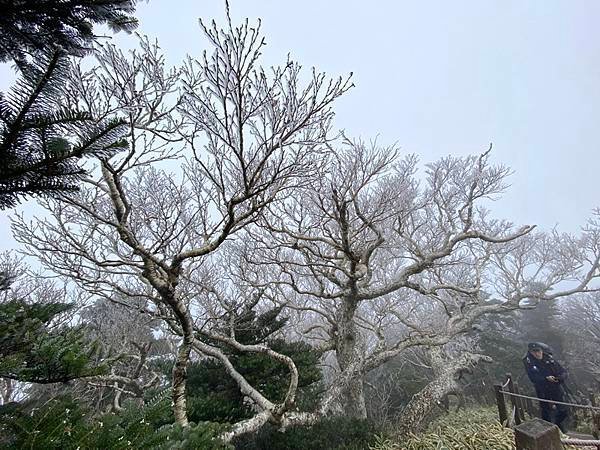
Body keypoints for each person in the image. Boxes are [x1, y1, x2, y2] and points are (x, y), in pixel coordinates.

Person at [523, 342, 569, 432]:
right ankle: (548, 431)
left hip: (555, 386)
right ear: (531, 352)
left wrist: (559, 378)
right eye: (534, 352)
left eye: (538, 351)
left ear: (541, 350)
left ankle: (558, 424)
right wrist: (545, 378)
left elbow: (563, 371)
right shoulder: (529, 362)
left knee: (563, 409)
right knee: (546, 411)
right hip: (542, 388)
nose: (537, 353)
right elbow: (533, 378)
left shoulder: (548, 358)